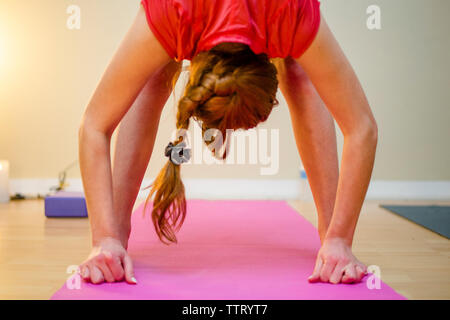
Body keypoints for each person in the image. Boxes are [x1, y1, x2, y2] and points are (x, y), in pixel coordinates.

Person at [78, 0, 377, 286]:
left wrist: (340, 238)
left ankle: (330, 238)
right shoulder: (172, 11)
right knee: (153, 72)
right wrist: (104, 238)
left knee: (300, 71)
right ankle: (116, 234)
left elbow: (361, 129)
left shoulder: (290, 12)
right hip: (187, 12)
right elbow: (94, 125)